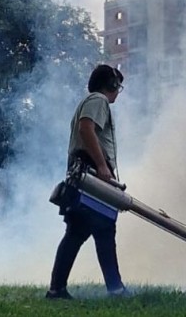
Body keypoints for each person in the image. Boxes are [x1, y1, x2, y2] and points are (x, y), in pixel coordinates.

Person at [46, 64, 130, 300]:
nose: (117, 93)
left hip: (82, 176)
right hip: (91, 176)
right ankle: (115, 289)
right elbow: (86, 128)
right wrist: (102, 166)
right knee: (104, 230)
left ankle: (57, 289)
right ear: (112, 85)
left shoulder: (91, 100)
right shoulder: (98, 101)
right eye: (118, 86)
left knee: (76, 232)